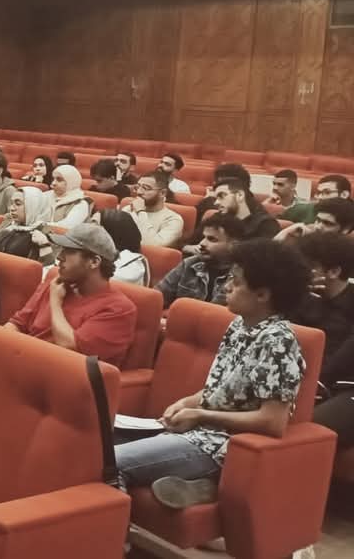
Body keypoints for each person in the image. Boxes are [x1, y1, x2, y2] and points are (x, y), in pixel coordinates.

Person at [113, 239, 308, 509]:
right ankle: (202, 485)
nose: (227, 287)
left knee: (110, 463)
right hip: (197, 432)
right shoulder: (239, 326)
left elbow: (272, 421)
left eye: (236, 282)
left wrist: (200, 414)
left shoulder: (278, 342)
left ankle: (114, 532)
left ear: (262, 294)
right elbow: (225, 390)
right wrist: (188, 402)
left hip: (219, 445)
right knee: (93, 442)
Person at [6, 223, 138, 367]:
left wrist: (55, 302)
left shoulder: (119, 309)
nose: (59, 257)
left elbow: (70, 350)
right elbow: (17, 324)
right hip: (23, 364)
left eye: (69, 251)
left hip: (60, 376)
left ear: (94, 262)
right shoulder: (57, 282)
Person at [292, 232, 354, 391]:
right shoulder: (302, 296)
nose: (298, 273)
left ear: (333, 272)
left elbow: (337, 364)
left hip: (338, 386)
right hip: (294, 378)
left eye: (306, 267)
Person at [157, 213, 244, 308]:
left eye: (212, 239)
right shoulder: (189, 264)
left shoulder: (243, 276)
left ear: (234, 245)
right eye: (204, 237)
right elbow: (158, 297)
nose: (202, 243)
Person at [0, 186, 50, 261]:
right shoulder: (8, 223)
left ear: (33, 206)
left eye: (18, 204)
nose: (11, 208)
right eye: (12, 203)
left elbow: (47, 266)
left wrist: (44, 245)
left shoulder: (45, 232)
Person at [125, 171, 184, 248]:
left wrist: (141, 212)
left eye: (146, 188)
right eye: (137, 187)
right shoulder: (128, 209)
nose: (139, 192)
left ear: (162, 193)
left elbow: (152, 246)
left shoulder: (173, 219)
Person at [213, 176, 280, 240]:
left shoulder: (265, 224)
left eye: (221, 196)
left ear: (240, 195)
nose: (216, 203)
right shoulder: (217, 219)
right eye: (216, 198)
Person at [96, 208, 148, 286]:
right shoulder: (101, 254)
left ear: (108, 235)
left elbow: (98, 284)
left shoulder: (132, 268)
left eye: (94, 226)